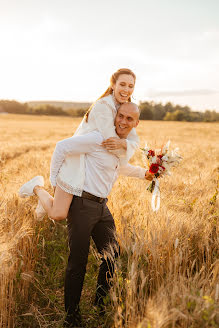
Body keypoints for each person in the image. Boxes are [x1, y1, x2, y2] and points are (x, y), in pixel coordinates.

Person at [19, 103, 153, 327]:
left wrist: (145, 174)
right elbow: (62, 147)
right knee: (77, 262)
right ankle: (71, 316)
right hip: (82, 204)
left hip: (102, 207)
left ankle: (100, 304)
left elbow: (120, 167)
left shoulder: (121, 145)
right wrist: (56, 186)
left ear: (136, 123)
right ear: (114, 116)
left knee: (112, 255)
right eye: (120, 116)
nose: (123, 121)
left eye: (129, 119)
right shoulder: (97, 137)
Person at [19, 68, 140, 222]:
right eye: (122, 84)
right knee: (59, 214)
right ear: (113, 85)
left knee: (69, 212)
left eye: (131, 86)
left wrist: (125, 144)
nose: (126, 90)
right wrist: (53, 179)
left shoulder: (122, 106)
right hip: (74, 163)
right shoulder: (104, 107)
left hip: (89, 164)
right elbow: (112, 144)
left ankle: (45, 201)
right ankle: (37, 188)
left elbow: (132, 139)